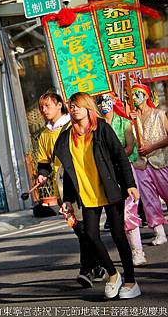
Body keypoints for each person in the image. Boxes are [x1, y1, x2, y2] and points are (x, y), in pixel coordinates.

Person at [54, 92, 141, 299]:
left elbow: (120, 155)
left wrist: (129, 184)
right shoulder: (67, 137)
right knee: (91, 236)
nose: (74, 108)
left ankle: (131, 281)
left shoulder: (101, 128)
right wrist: (67, 199)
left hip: (110, 190)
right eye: (71, 105)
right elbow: (69, 170)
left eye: (78, 105)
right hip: (86, 193)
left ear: (87, 108)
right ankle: (113, 274)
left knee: (119, 236)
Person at [34, 92, 107, 287]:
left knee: (85, 230)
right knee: (80, 229)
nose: (44, 110)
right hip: (61, 188)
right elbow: (44, 161)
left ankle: (86, 269)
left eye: (48, 105)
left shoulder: (72, 126)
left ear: (59, 105)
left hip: (81, 182)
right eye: (42, 107)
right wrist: (42, 173)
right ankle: (99, 265)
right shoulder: (43, 135)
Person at [96, 93, 146, 265]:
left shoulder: (124, 123)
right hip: (106, 175)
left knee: (129, 212)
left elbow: (129, 146)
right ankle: (127, 252)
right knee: (117, 217)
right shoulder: (96, 128)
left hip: (124, 171)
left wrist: (113, 159)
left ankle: (138, 251)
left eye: (106, 101)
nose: (103, 105)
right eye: (100, 102)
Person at [130, 83, 168, 246]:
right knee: (149, 199)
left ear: (146, 96)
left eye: (138, 94)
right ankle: (159, 231)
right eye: (132, 95)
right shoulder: (131, 119)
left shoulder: (159, 114)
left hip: (161, 161)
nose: (135, 98)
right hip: (141, 165)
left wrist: (152, 147)